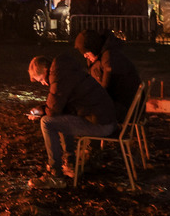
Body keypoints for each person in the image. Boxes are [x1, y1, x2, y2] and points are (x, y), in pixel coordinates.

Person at [26, 52, 117, 186]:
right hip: (104, 119)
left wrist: (41, 112)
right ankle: (70, 163)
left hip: (101, 124)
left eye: (41, 79)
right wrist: (41, 109)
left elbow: (53, 111)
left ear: (45, 70)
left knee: (47, 123)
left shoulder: (59, 76)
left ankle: (55, 174)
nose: (44, 83)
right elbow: (58, 104)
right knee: (61, 118)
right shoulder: (65, 70)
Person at [75, 29, 142, 121]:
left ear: (94, 47)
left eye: (86, 52)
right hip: (121, 105)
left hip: (125, 108)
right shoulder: (100, 58)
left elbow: (105, 89)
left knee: (80, 113)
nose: (85, 56)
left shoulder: (109, 58)